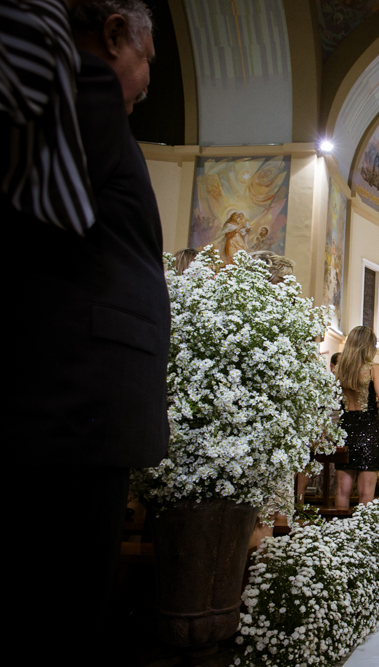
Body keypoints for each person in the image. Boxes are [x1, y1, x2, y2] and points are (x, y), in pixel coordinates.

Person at [9, 1, 167, 658]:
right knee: (61, 609)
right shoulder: (80, 85)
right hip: (75, 403)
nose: (150, 80)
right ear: (113, 35)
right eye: (147, 59)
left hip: (83, 406)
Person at [335, 326, 379, 509]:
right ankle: (359, 536)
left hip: (345, 430)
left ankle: (338, 533)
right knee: (366, 492)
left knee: (341, 491)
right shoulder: (373, 369)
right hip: (368, 431)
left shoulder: (339, 369)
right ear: (368, 346)